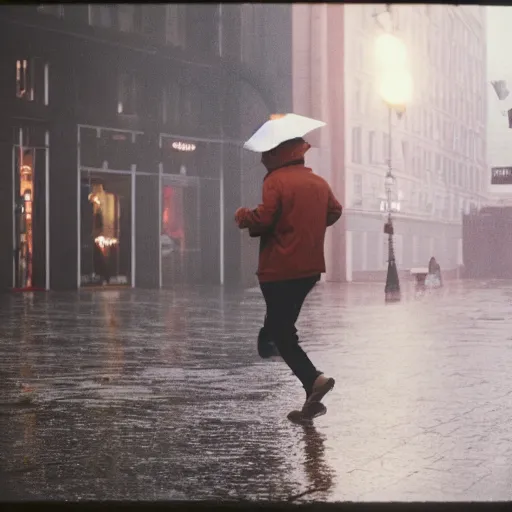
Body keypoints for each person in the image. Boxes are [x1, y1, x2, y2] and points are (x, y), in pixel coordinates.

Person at [235, 135, 342, 418]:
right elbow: (335, 211)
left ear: (278, 154)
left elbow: (265, 219)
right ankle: (312, 399)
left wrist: (244, 216)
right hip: (309, 269)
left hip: (278, 267)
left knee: (282, 333)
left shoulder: (276, 181)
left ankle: (314, 379)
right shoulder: (318, 182)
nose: (263, 160)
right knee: (280, 324)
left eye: (267, 154)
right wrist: (307, 223)